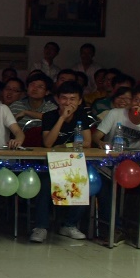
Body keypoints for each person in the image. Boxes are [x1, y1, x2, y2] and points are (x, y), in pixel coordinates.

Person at [92, 86, 140, 250]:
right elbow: (96, 136)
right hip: (110, 165)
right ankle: (115, 229)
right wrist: (100, 142)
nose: (139, 105)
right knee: (105, 184)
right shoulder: (115, 114)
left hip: (135, 168)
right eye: (137, 100)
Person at [30, 81, 93, 243]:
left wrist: (66, 145)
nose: (68, 103)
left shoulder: (81, 115)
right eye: (64, 98)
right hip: (50, 163)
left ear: (79, 101)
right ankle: (41, 227)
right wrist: (62, 118)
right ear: (57, 99)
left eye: (73, 99)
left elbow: (87, 142)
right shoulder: (49, 116)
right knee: (45, 183)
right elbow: (48, 143)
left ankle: (69, 225)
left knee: (82, 181)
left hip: (74, 164)